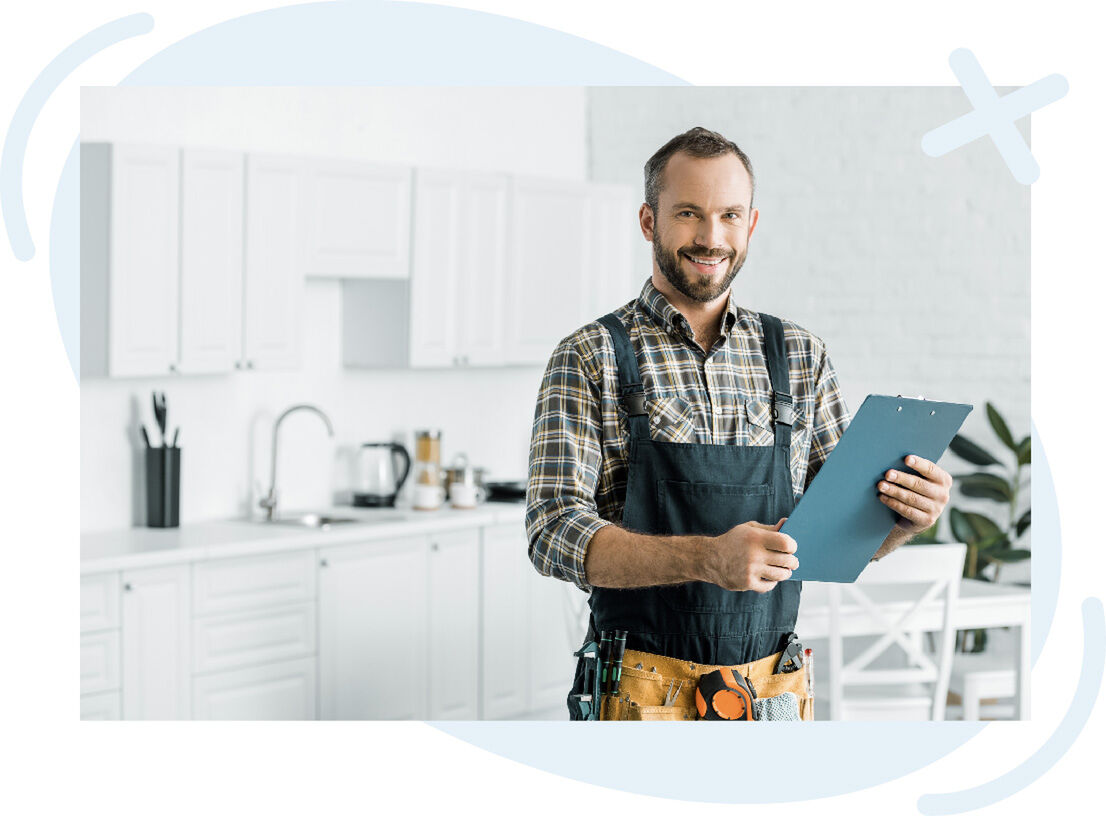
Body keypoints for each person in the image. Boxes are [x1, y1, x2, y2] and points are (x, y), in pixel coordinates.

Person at [525, 127, 952, 721]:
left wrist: (905, 518)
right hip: (638, 695)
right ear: (649, 221)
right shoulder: (590, 355)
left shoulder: (800, 355)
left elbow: (837, 535)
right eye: (688, 213)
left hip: (773, 692)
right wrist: (706, 558)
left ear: (751, 224)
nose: (711, 237)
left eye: (729, 215)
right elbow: (551, 532)